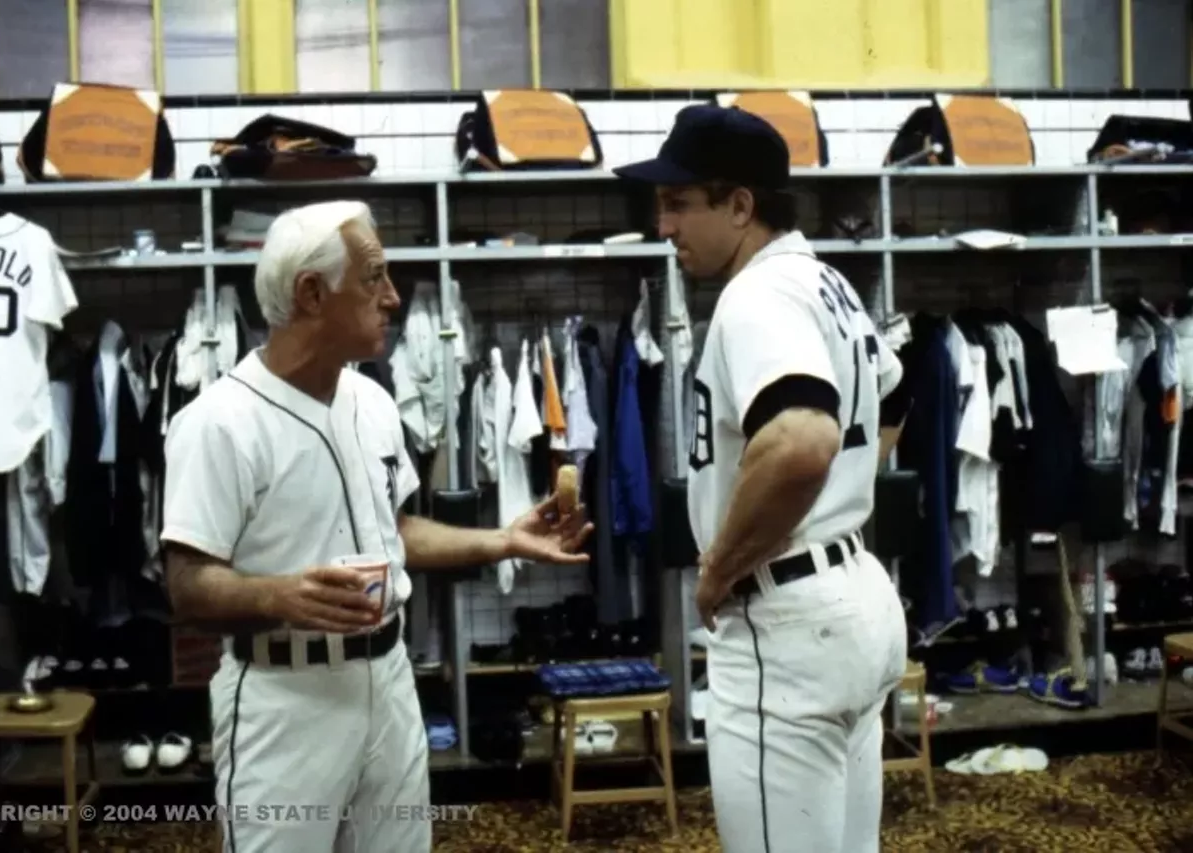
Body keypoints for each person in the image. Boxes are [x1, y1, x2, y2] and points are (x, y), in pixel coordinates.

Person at [159, 200, 592, 853]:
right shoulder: (219, 421)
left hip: (386, 682)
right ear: (311, 293)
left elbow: (396, 532)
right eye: (373, 278)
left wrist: (504, 538)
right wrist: (280, 595)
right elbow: (186, 583)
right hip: (284, 695)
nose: (392, 297)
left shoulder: (373, 401)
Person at [614, 105, 911, 852]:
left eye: (679, 204)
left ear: (740, 205)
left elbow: (801, 438)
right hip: (852, 594)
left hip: (787, 614)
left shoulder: (756, 296)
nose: (664, 226)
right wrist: (839, 494)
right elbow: (897, 392)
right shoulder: (822, 281)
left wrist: (719, 567)